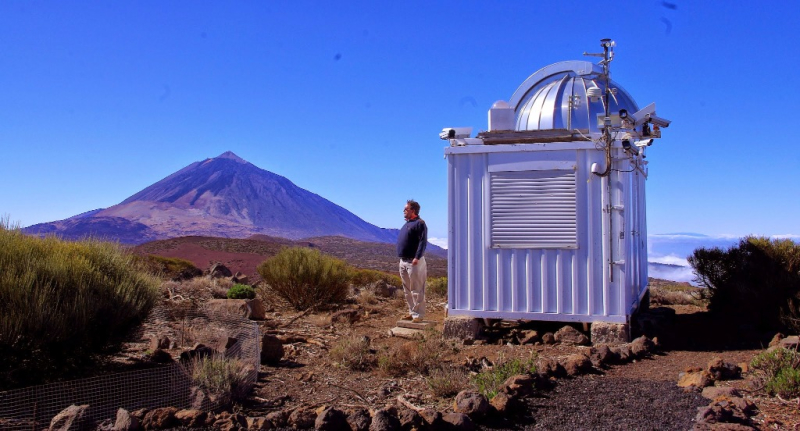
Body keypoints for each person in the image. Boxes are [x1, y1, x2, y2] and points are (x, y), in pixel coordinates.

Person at [397, 199, 427, 323]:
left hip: (414, 261)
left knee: (417, 288)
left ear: (413, 210)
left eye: (406, 209)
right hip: (403, 261)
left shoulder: (420, 223)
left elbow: (422, 241)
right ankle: (412, 312)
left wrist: (417, 257)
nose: (404, 211)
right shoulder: (407, 224)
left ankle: (418, 315)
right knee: (407, 290)